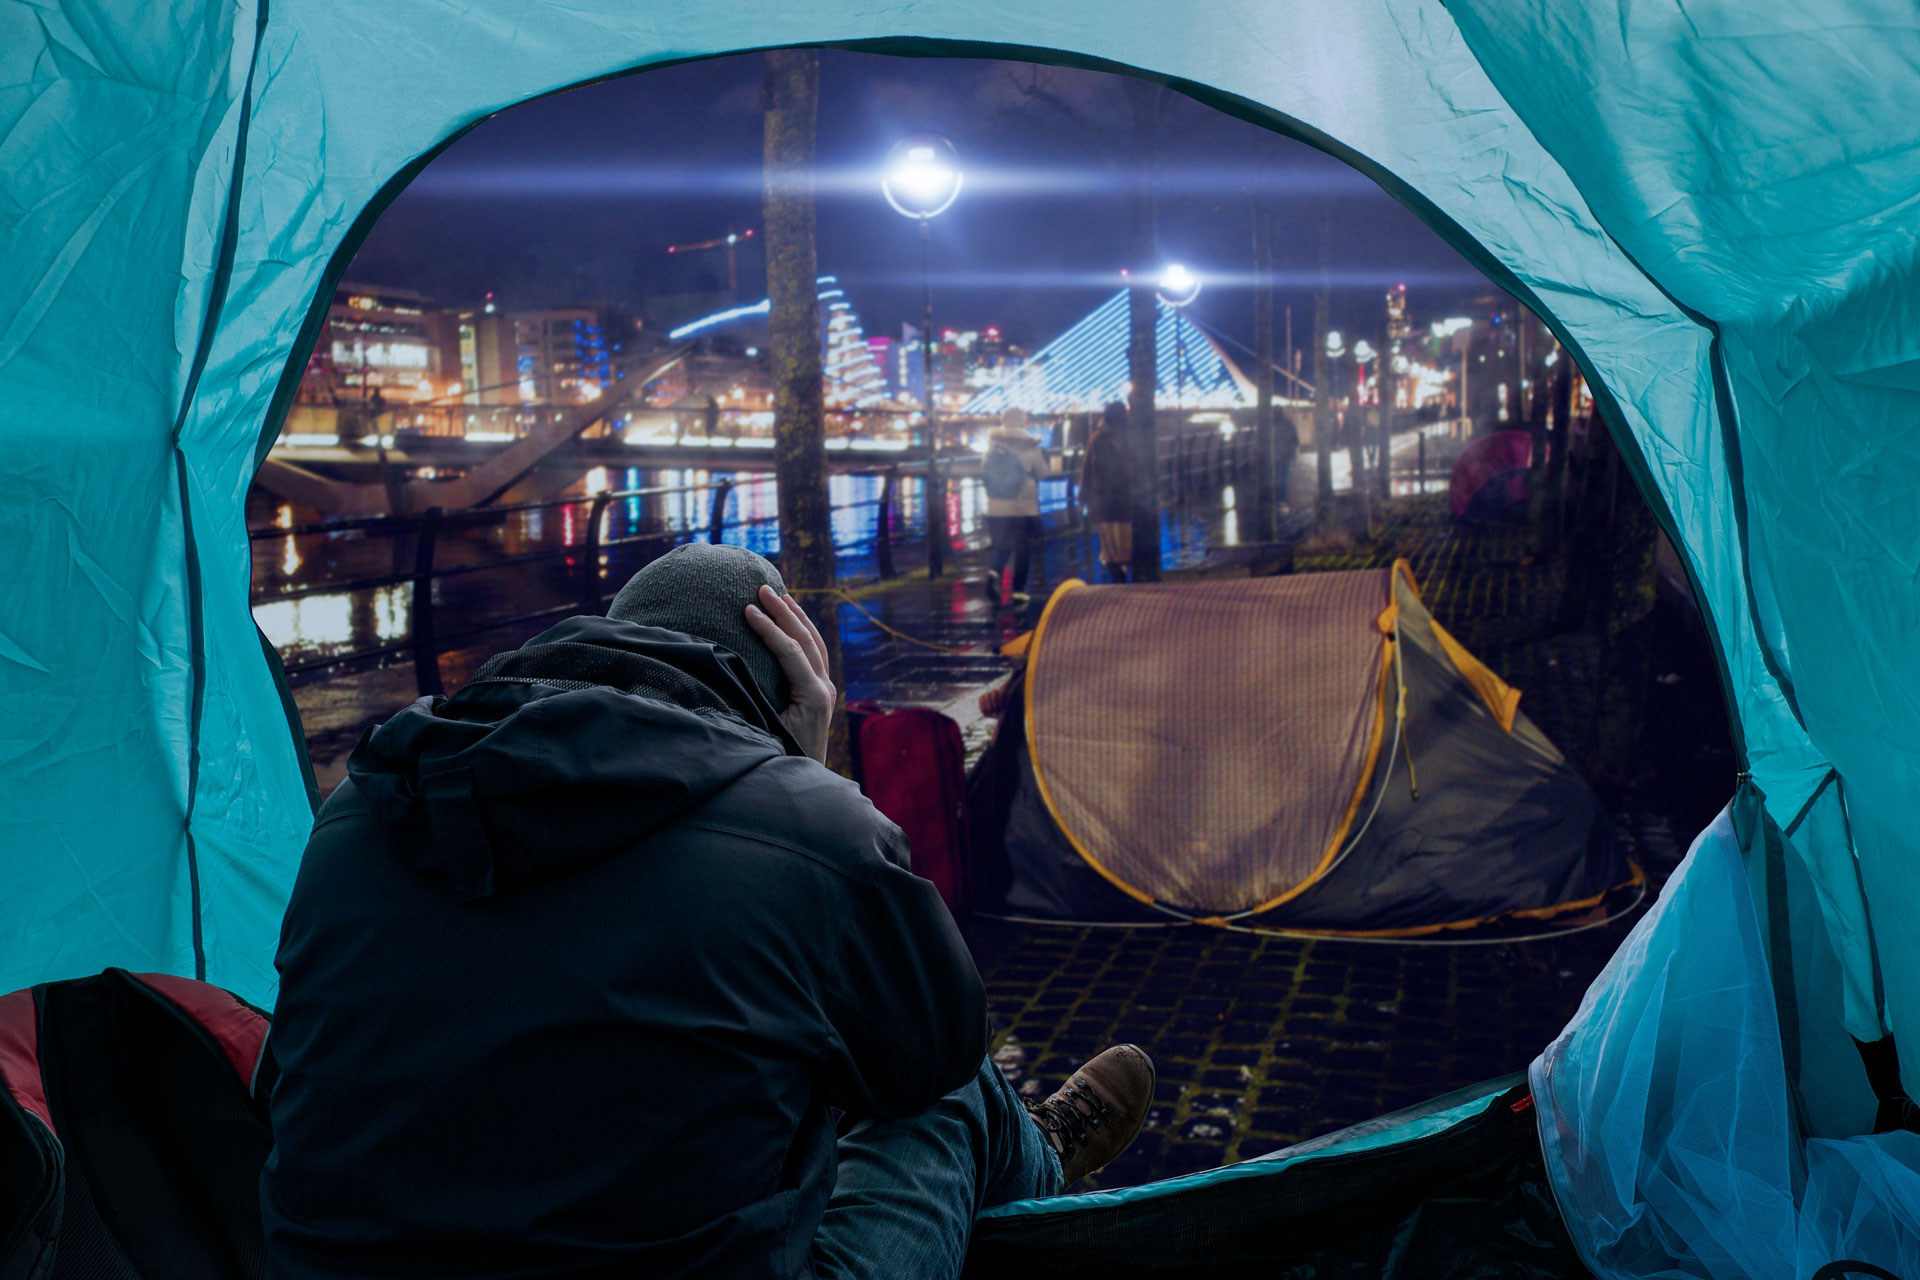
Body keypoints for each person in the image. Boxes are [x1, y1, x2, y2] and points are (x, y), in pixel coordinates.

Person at [262, 541, 1154, 1280]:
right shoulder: (807, 826)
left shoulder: (365, 805)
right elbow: (933, 1046)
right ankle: (1044, 1175)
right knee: (945, 1090)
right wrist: (810, 772)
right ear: (774, 698)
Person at [981, 407, 1050, 605]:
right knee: (1022, 547)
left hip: (996, 506)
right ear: (1022, 421)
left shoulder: (992, 446)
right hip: (1023, 506)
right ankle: (1018, 591)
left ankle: (994, 573)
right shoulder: (1030, 445)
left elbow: (984, 470)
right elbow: (1044, 472)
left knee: (1001, 545)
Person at [1079, 401, 1135, 584]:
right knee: (1128, 541)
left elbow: (1087, 469)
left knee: (1110, 546)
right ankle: (1127, 574)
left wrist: (1083, 497)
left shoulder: (1097, 438)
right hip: (1127, 499)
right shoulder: (1131, 436)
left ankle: (1117, 579)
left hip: (1105, 500)